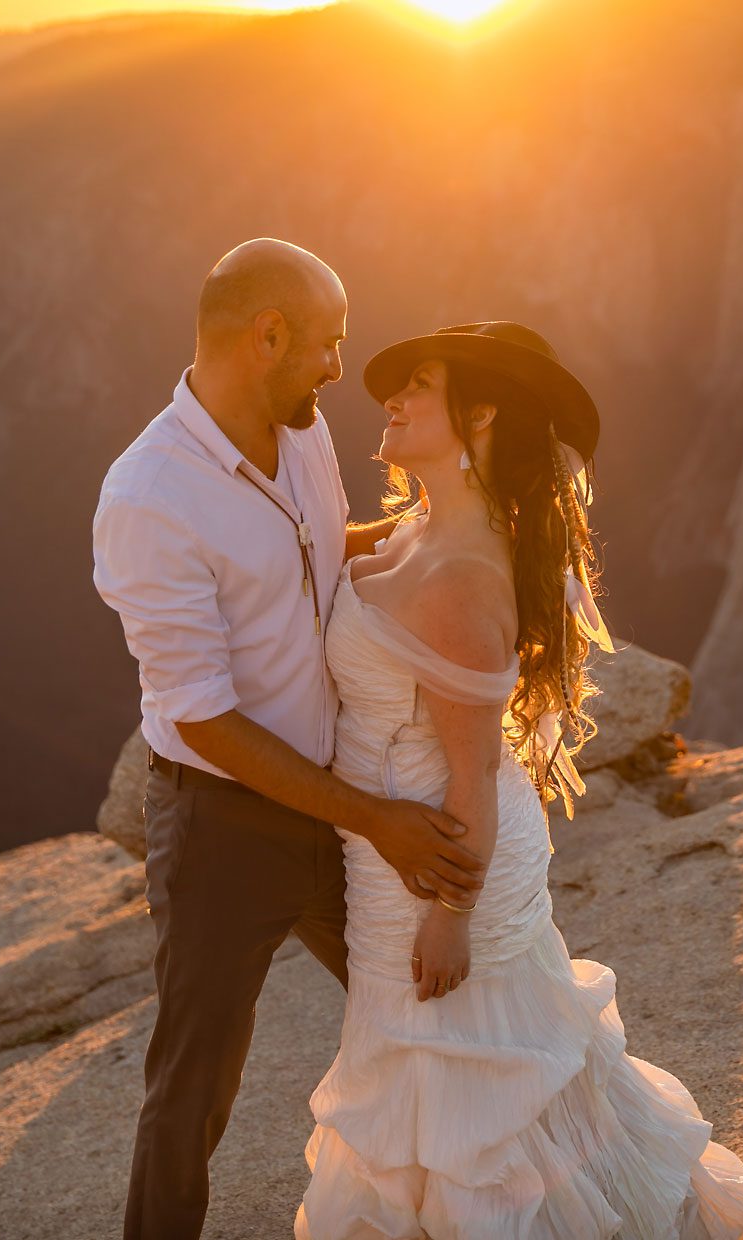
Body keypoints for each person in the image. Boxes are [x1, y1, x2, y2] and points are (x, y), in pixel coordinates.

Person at [293, 321, 743, 1239]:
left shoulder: (462, 579)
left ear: (482, 413)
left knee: (485, 1104)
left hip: (442, 863)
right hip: (391, 863)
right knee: (451, 1097)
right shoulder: (422, 531)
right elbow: (308, 552)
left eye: (417, 385)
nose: (389, 399)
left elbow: (471, 772)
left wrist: (452, 915)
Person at [92, 239, 489, 1240]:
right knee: (193, 1091)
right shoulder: (149, 498)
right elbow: (203, 718)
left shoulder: (299, 431)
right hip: (226, 827)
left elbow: (318, 555)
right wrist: (380, 820)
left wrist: (452, 538)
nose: (337, 371)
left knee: (435, 1015)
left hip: (344, 793)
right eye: (326, 345)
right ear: (265, 337)